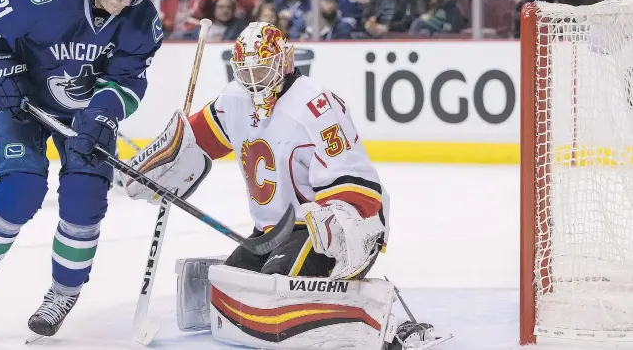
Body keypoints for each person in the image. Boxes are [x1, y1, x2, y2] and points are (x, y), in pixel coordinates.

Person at [124, 22, 446, 349]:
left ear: (283, 62)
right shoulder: (234, 99)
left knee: (273, 295)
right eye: (245, 73)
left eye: (261, 71)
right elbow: (193, 142)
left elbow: (354, 176)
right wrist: (155, 165)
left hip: (327, 229)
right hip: (272, 231)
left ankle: (387, 323)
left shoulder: (315, 106)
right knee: (237, 289)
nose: (253, 82)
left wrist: (342, 226)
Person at [0, 0, 162, 345]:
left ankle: (63, 293)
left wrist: (103, 115)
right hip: (23, 100)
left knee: (84, 202)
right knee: (20, 191)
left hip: (85, 112)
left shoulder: (141, 19)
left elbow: (128, 80)